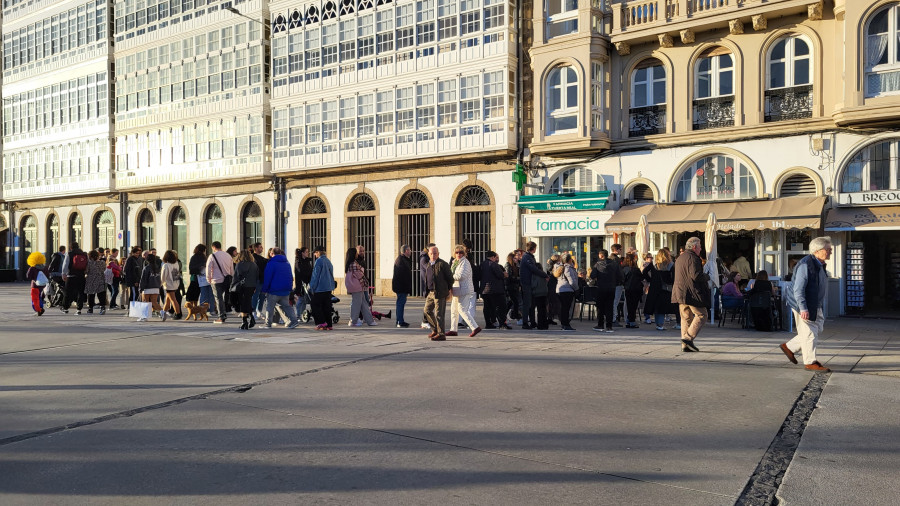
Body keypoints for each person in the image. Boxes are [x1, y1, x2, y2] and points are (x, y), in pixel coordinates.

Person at [782, 237, 833, 372]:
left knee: (817, 329)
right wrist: (803, 308)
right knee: (810, 333)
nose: (831, 252)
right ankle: (810, 362)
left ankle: (790, 347)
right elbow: (798, 289)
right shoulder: (806, 265)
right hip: (804, 305)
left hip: (815, 304)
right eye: (828, 249)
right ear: (817, 250)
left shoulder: (819, 263)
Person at [672, 237, 710, 353]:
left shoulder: (680, 257)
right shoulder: (693, 258)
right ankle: (687, 338)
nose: (701, 249)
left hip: (680, 291)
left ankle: (685, 345)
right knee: (702, 315)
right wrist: (708, 276)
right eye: (699, 246)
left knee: (686, 317)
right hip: (691, 293)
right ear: (694, 247)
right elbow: (696, 275)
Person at [258, 248, 300, 329]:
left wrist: (264, 290)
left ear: (272, 253)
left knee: (270, 306)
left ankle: (268, 323)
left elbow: (267, 278)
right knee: (287, 306)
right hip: (285, 289)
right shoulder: (287, 263)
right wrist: (289, 288)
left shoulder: (271, 263)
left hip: (274, 290)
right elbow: (290, 276)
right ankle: (294, 321)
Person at [447, 244, 481, 337]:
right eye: (457, 252)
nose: (459, 254)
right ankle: (453, 329)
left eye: (461, 252)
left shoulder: (465, 262)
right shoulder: (455, 262)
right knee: (454, 310)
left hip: (464, 289)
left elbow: (461, 276)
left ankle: (475, 327)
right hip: (456, 289)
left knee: (462, 310)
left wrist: (449, 277)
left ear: (464, 253)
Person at [422, 245, 453, 341]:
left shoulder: (443, 264)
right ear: (428, 254)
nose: (433, 255)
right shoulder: (428, 264)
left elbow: (450, 279)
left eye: (435, 253)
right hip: (431, 292)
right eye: (431, 253)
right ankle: (435, 329)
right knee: (427, 310)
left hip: (440, 292)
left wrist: (447, 290)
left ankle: (441, 334)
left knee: (439, 314)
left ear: (438, 254)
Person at [645, 248, 677, 331]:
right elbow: (674, 277)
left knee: (656, 306)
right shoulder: (671, 265)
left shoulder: (654, 264)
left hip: (655, 287)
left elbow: (644, 272)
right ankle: (660, 324)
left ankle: (658, 323)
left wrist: (650, 279)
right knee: (662, 307)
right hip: (666, 288)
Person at [345, 247, 376, 327]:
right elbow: (359, 274)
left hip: (358, 286)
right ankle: (353, 321)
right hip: (357, 286)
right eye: (356, 253)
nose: (357, 254)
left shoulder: (352, 263)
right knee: (356, 304)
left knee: (364, 304)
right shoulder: (353, 264)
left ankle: (370, 321)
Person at [590, 249, 620, 333]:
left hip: (601, 288)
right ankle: (609, 326)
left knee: (600, 307)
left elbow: (592, 275)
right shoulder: (615, 264)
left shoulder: (598, 264)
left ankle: (600, 325)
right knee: (609, 306)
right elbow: (620, 276)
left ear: (601, 256)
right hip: (611, 288)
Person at [519, 242, 548, 330]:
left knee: (532, 304)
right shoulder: (527, 257)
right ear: (534, 248)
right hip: (527, 283)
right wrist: (544, 275)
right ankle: (525, 322)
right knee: (527, 304)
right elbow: (533, 269)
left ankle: (532, 322)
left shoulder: (529, 257)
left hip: (530, 283)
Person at [481, 251, 511, 330]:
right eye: (496, 257)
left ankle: (488, 323)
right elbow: (500, 275)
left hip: (484, 290)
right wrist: (504, 274)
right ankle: (502, 323)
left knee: (487, 307)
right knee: (500, 307)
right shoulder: (494, 265)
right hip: (495, 290)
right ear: (493, 257)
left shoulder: (482, 264)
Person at [206, 241, 234, 324]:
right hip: (227, 279)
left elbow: (208, 268)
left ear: (213, 247)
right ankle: (224, 312)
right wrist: (231, 276)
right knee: (225, 297)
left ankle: (221, 316)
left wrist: (209, 279)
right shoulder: (228, 255)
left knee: (218, 298)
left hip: (216, 280)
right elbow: (231, 268)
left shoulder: (212, 256)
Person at [309, 246, 335, 330]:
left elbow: (315, 276)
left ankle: (321, 322)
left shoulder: (319, 261)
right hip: (328, 287)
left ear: (318, 252)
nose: (315, 254)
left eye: (315, 253)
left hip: (320, 288)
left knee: (314, 304)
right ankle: (329, 324)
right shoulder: (328, 261)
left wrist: (312, 287)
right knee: (326, 306)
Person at [232, 249, 260, 330]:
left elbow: (236, 277)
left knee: (243, 303)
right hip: (251, 286)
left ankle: (245, 321)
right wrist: (255, 287)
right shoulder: (254, 265)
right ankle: (250, 318)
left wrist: (232, 287)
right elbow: (257, 276)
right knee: (247, 302)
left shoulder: (239, 264)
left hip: (242, 286)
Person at [61, 242, 88, 315]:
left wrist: (63, 274)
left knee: (67, 292)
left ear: (71, 247)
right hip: (81, 276)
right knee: (80, 293)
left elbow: (65, 264)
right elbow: (87, 264)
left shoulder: (69, 254)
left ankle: (65, 308)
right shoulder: (84, 254)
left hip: (71, 276)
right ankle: (79, 309)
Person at [555, 253, 579, 331]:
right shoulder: (568, 268)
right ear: (570, 260)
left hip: (560, 290)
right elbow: (572, 281)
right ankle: (566, 324)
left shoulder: (559, 267)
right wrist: (576, 289)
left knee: (563, 308)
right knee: (566, 308)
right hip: (567, 290)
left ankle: (563, 324)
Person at [139, 253, 165, 322]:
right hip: (156, 287)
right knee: (154, 302)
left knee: (145, 302)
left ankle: (145, 317)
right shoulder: (158, 268)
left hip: (147, 287)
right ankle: (162, 312)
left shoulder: (146, 268)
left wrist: (140, 288)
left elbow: (143, 279)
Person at [392, 245, 413, 328]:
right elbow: (401, 275)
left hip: (401, 286)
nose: (411, 251)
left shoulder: (403, 259)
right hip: (401, 287)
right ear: (406, 251)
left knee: (400, 303)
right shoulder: (401, 260)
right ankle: (400, 322)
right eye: (409, 250)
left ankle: (399, 320)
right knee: (400, 303)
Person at [622, 253, 644, 328]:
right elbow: (642, 278)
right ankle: (632, 321)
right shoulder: (635, 269)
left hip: (627, 289)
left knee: (629, 305)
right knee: (634, 306)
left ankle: (629, 320)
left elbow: (622, 279)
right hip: (636, 289)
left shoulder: (624, 269)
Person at [83, 250, 108, 315]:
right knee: (101, 294)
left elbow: (86, 271)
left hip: (91, 280)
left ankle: (90, 309)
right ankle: (102, 307)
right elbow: (104, 269)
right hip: (100, 279)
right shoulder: (102, 262)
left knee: (91, 295)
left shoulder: (89, 263)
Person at [161, 250, 184, 320]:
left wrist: (161, 283)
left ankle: (178, 314)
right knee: (168, 299)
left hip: (169, 284)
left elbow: (163, 276)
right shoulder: (176, 263)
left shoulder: (166, 265)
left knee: (173, 300)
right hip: (175, 283)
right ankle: (163, 312)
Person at [418, 243, 436, 329]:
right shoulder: (424, 258)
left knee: (430, 305)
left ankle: (426, 321)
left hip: (429, 283)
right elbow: (429, 268)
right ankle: (424, 321)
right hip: (427, 284)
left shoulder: (426, 257)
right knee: (428, 305)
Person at [26, 252, 48, 316]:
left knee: (35, 298)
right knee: (39, 297)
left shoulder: (32, 268)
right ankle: (40, 307)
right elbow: (48, 275)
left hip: (35, 285)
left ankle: (38, 309)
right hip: (42, 285)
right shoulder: (45, 267)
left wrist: (34, 278)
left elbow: (28, 276)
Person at [294, 247, 314, 320]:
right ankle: (298, 314)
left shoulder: (307, 261)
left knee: (305, 300)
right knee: (301, 299)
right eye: (306, 252)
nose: (307, 253)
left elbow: (310, 270)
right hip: (301, 283)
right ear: (302, 253)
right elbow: (299, 272)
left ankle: (303, 314)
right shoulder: (298, 261)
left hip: (307, 282)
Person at [250, 243, 268, 318]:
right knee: (255, 295)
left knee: (262, 296)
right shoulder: (253, 258)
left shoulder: (261, 258)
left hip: (262, 279)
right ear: (256, 248)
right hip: (256, 279)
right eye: (260, 247)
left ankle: (259, 310)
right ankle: (253, 311)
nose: (262, 248)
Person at [609, 243, 625, 327]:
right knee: (615, 301)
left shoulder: (609, 258)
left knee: (612, 301)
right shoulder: (616, 260)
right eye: (620, 249)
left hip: (611, 283)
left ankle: (611, 318)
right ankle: (613, 319)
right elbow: (619, 272)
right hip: (617, 283)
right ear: (616, 250)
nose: (621, 251)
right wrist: (622, 280)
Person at [504, 252, 522, 324]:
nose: (516, 259)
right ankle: (515, 316)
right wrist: (518, 279)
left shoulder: (516, 266)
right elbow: (509, 277)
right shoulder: (508, 265)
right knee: (514, 302)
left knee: (511, 303)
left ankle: (505, 316)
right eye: (514, 258)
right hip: (510, 287)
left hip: (514, 287)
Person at [545, 254, 560, 326]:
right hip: (552, 286)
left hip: (552, 285)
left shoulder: (550, 265)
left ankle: (550, 317)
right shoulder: (552, 266)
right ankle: (550, 317)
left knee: (552, 302)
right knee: (552, 302)